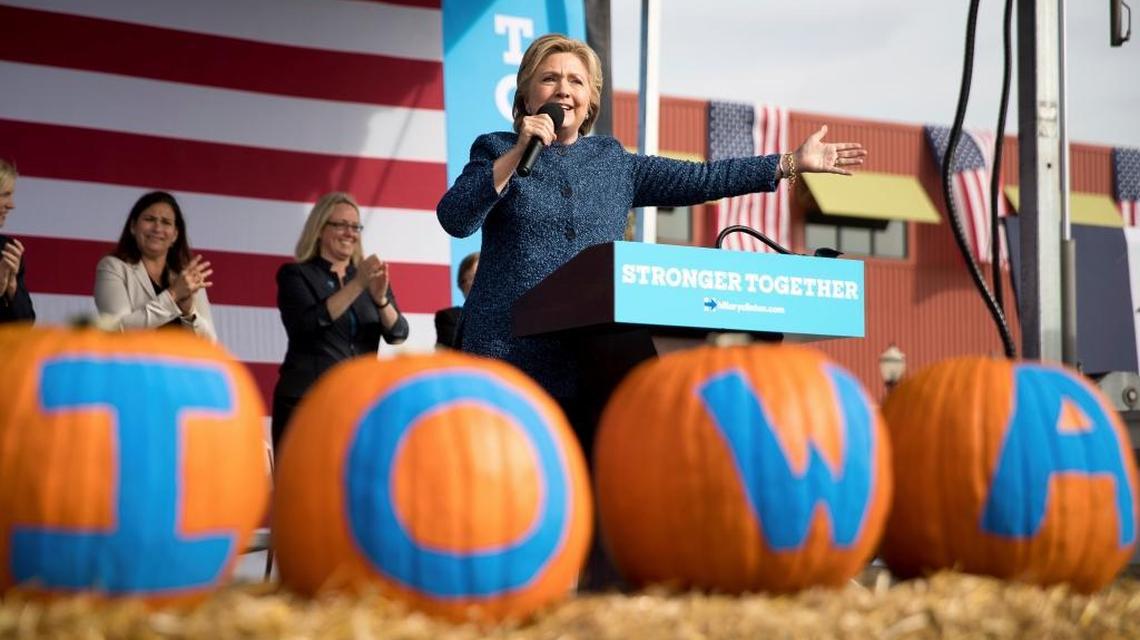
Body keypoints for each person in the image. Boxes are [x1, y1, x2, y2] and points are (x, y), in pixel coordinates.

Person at [436, 33, 867, 448]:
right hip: (507, 356)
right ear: (526, 96)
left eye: (576, 80)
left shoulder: (613, 162)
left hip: (589, 361)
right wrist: (517, 154)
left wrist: (791, 162)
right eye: (549, 78)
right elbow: (455, 218)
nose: (563, 90)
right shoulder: (495, 149)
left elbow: (703, 178)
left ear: (590, 102)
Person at [272, 192, 409, 449]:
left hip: (360, 405)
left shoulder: (371, 279)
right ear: (321, 228)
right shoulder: (296, 275)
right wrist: (358, 284)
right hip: (307, 403)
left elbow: (398, 333)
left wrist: (380, 299)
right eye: (341, 225)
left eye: (355, 226)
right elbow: (306, 326)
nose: (350, 233)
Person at [94, 191, 215, 339]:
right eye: (149, 219)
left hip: (180, 362)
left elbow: (210, 344)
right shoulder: (112, 266)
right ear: (133, 227)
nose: (157, 228)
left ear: (175, 235)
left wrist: (188, 313)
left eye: (166, 222)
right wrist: (173, 295)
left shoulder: (188, 276)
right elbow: (116, 330)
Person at [0, 159, 34, 324]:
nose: (11, 205)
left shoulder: (8, 250)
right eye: (5, 195)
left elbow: (26, 323)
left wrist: (12, 287)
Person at [434, 251, 479, 348]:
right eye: (475, 277)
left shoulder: (509, 315)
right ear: (462, 285)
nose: (481, 283)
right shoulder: (449, 317)